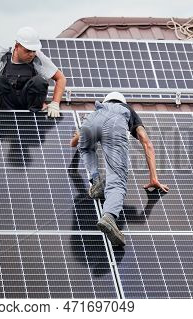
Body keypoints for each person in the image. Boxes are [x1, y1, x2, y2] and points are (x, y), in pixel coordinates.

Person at [70, 92, 169, 246]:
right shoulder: (126, 109)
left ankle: (95, 180)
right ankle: (109, 216)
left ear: (106, 101)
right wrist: (153, 178)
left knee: (87, 149)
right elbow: (146, 142)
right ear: (122, 102)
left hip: (90, 122)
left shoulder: (96, 111)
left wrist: (81, 135)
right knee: (117, 178)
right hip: (114, 124)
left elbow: (74, 143)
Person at [0, 26, 66, 117]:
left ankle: (34, 115)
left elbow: (61, 78)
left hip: (28, 104)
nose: (31, 54)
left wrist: (55, 103)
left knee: (39, 81)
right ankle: (7, 117)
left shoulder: (38, 57)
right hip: (6, 104)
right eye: (28, 50)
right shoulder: (0, 56)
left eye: (33, 51)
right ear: (17, 46)